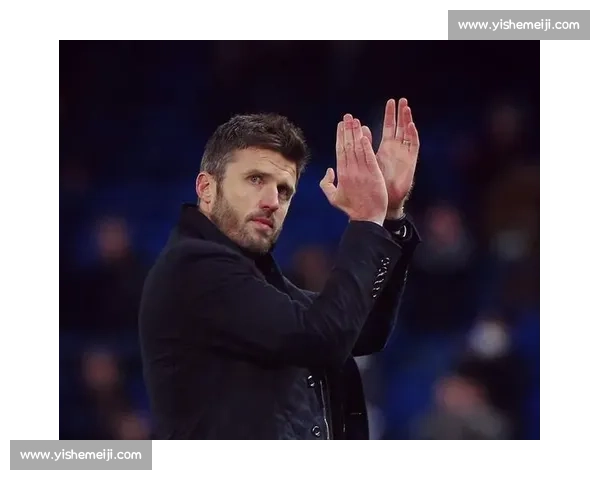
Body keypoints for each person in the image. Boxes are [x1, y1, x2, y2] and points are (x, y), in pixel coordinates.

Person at [139, 98, 422, 439]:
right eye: (255, 179)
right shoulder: (194, 267)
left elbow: (363, 331)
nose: (272, 201)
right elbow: (323, 338)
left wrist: (389, 216)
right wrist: (366, 221)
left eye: (284, 191)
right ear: (207, 188)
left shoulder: (256, 279)